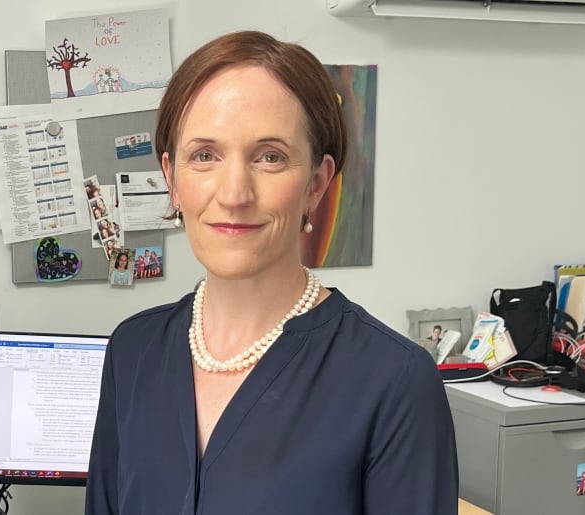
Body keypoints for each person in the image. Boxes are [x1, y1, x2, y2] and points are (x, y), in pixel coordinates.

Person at [85, 30, 458, 515]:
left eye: (270, 157)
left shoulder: (394, 382)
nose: (235, 193)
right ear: (173, 180)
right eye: (205, 156)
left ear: (316, 184)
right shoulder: (133, 352)